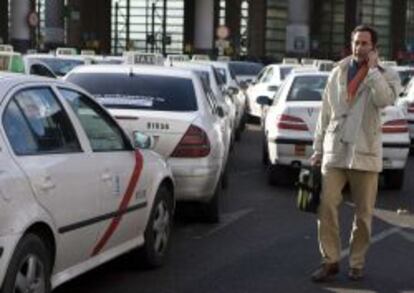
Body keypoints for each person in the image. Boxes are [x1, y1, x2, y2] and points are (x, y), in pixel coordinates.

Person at [310, 25, 401, 282]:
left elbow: (384, 100)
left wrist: (372, 71)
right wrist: (317, 149)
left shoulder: (387, 74)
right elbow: (325, 114)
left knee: (363, 214)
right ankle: (330, 260)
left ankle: (357, 262)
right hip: (335, 148)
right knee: (326, 205)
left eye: (364, 43)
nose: (359, 47)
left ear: (374, 47)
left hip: (365, 149)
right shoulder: (338, 71)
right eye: (356, 42)